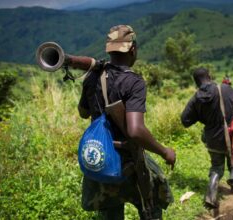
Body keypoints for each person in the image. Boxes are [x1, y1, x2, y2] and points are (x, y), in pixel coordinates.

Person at [78, 25, 176, 220]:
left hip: (102, 157)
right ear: (133, 49)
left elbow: (83, 112)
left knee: (110, 212)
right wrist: (165, 152)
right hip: (127, 159)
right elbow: (136, 130)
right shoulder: (133, 82)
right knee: (152, 201)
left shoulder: (92, 77)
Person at [180, 67, 233, 210]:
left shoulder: (196, 98)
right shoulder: (225, 89)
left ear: (196, 82)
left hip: (212, 138)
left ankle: (211, 195)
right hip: (231, 135)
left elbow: (185, 120)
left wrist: (202, 116)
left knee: (216, 167)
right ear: (209, 76)